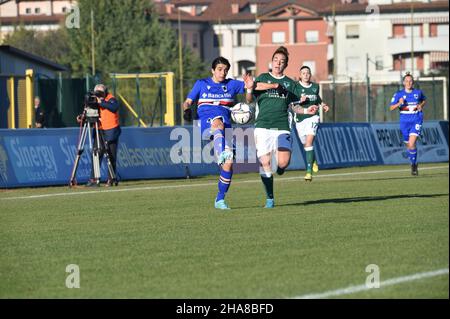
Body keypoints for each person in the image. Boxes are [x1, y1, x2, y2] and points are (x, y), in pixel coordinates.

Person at [182, 56, 258, 210]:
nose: (223, 73)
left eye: (225, 70)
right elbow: (188, 101)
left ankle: (220, 200)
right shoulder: (201, 84)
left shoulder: (231, 84)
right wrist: (186, 110)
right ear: (213, 70)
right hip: (207, 122)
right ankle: (220, 151)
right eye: (219, 69)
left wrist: (250, 87)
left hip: (226, 128)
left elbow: (249, 99)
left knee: (228, 165)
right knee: (218, 123)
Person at [252, 47, 318, 208]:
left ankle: (280, 167)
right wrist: (271, 86)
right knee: (265, 163)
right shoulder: (262, 78)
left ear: (285, 65)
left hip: (282, 126)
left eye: (282, 62)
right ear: (271, 62)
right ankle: (270, 198)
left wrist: (305, 110)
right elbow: (251, 93)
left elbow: (294, 106)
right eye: (275, 60)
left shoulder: (290, 84)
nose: (278, 63)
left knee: (282, 163)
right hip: (262, 126)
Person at [290, 66, 329, 182]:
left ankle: (308, 172)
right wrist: (299, 101)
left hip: (313, 117)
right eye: (303, 73)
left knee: (309, 143)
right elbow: (291, 103)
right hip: (300, 119)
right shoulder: (296, 87)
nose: (306, 75)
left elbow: (317, 98)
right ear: (300, 75)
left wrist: (323, 105)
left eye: (308, 73)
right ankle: (313, 160)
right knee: (305, 144)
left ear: (310, 75)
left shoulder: (315, 87)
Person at [82, 84, 121, 187]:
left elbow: (114, 107)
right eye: (96, 93)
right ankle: (94, 178)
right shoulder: (94, 99)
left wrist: (102, 102)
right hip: (99, 130)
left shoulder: (111, 98)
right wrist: (82, 117)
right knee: (96, 154)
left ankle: (111, 178)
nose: (98, 95)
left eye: (100, 93)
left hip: (111, 130)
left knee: (111, 155)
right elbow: (90, 111)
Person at [389, 72, 426, 176]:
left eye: (410, 81)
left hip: (416, 120)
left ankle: (413, 166)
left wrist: (421, 105)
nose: (409, 83)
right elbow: (391, 108)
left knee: (411, 142)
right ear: (403, 83)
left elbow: (424, 100)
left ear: (413, 82)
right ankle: (414, 163)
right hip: (404, 123)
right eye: (407, 81)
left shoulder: (418, 92)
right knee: (409, 146)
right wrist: (399, 103)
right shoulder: (398, 94)